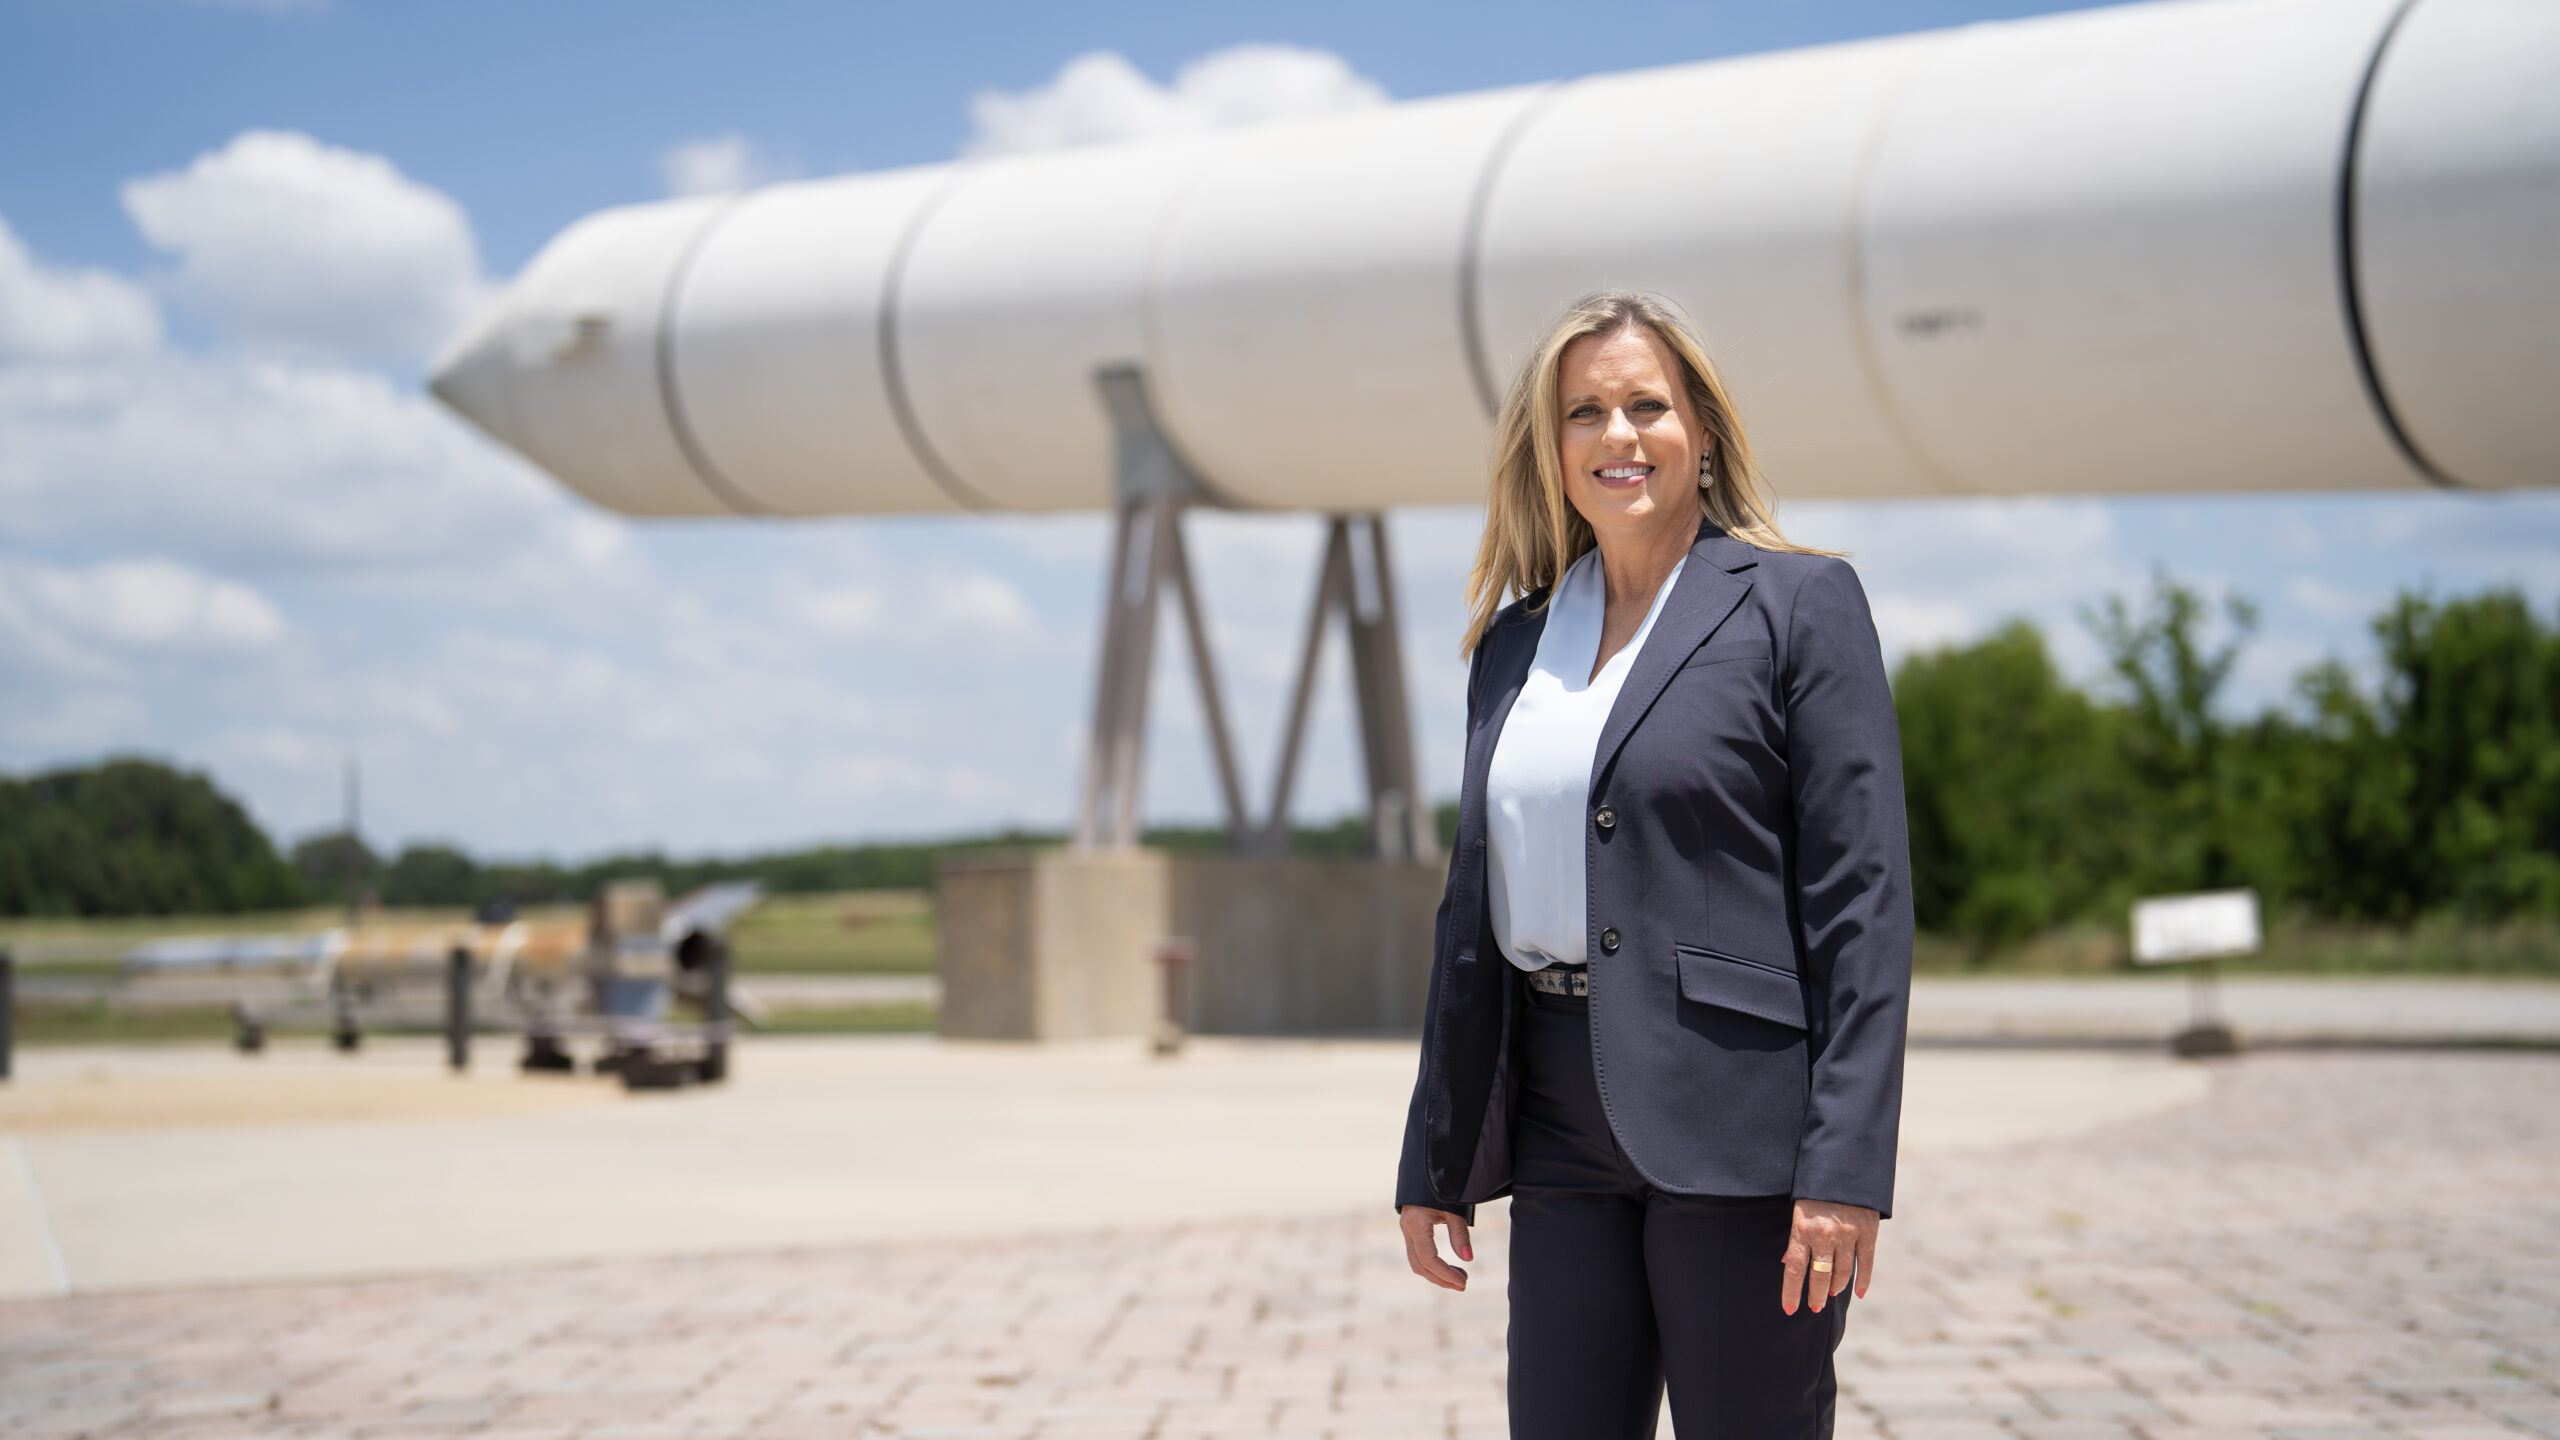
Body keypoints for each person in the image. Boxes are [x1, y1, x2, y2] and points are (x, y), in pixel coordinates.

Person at [1395, 290, 1913, 1439]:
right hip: (1556, 1118)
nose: (1616, 435)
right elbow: (1472, 908)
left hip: (1737, 1118)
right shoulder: (1514, 641)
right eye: (1583, 412)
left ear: (1703, 431)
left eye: (1645, 406)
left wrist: (1844, 1167)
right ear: (1549, 448)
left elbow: (1861, 907)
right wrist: (1435, 1154)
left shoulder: (1798, 605)